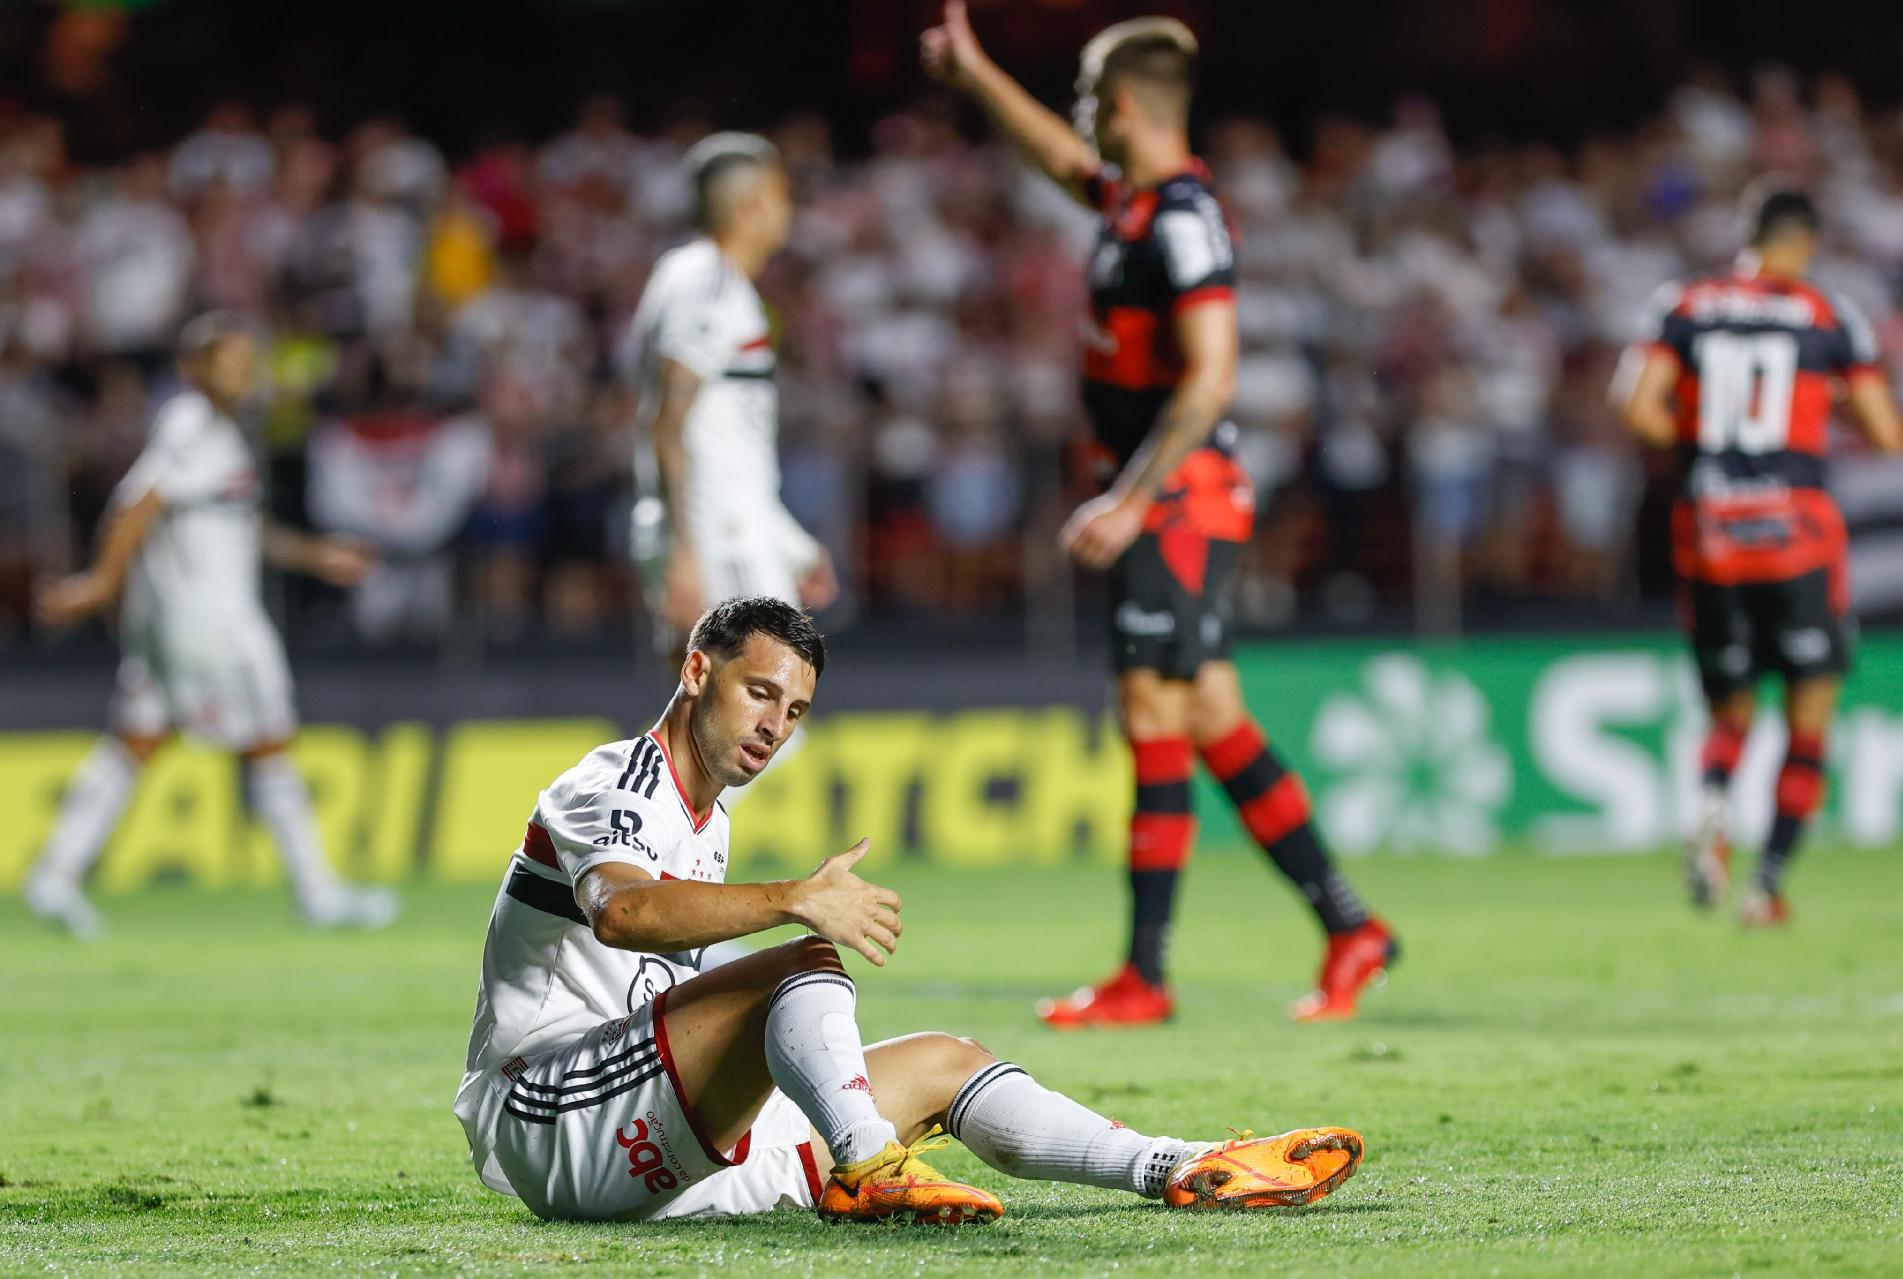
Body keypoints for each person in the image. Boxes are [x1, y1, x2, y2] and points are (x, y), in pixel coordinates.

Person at [453, 596, 1365, 1223]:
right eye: (759, 691)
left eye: (796, 710)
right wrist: (794, 901)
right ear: (697, 670)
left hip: (647, 1130)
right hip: (550, 1114)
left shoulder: (706, 816)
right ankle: (864, 1167)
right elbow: (621, 911)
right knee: (804, 960)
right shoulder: (617, 779)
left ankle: (1177, 1163)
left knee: (946, 1061)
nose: (775, 725)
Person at [922, 4, 1397, 1024]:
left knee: (1152, 717)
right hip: (1171, 495)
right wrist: (976, 75)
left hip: (1177, 498)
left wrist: (1130, 498)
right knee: (1213, 716)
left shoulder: (1180, 219)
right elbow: (1056, 157)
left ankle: (1145, 974)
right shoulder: (1133, 205)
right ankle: (1351, 925)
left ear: (1126, 104)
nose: (1078, 116)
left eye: (1090, 98)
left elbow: (1213, 376)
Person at [26, 313, 398, 938]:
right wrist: (100, 583)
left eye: (247, 362)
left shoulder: (221, 437)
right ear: (193, 370)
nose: (243, 373)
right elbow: (137, 504)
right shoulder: (190, 424)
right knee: (269, 740)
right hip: (212, 622)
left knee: (137, 738)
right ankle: (320, 894)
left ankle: (53, 877)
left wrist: (315, 554)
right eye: (229, 361)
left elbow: (237, 527)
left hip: (176, 623)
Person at [1620, 185, 1903, 924]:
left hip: (1713, 529)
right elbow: (1886, 434)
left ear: (1745, 237)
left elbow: (1637, 408)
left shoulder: (1682, 304)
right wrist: (1824, 409)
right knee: (1809, 716)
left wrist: (1707, 446)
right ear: (1804, 244)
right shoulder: (1826, 315)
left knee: (1730, 712)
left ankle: (1714, 798)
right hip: (1798, 536)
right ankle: (1767, 883)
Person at [625, 133, 837, 653]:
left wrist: (788, 541)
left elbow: (723, 436)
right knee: (761, 723)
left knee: (707, 729)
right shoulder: (707, 283)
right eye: (781, 194)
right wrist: (683, 549)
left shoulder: (700, 278)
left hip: (726, 528)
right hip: (717, 536)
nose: (789, 209)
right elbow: (668, 418)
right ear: (751, 203)